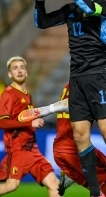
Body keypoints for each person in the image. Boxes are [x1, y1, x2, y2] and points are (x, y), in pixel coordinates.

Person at [33, 0, 106, 197]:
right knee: (79, 136)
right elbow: (41, 22)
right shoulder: (69, 10)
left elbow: (88, 7)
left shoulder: (103, 6)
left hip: (100, 74)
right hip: (77, 77)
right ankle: (95, 193)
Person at [0, 56, 60, 197]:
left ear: (26, 72)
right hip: (18, 148)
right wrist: (30, 122)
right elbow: (2, 122)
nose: (19, 70)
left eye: (22, 67)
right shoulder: (8, 94)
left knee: (54, 184)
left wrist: (34, 118)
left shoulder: (27, 95)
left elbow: (22, 116)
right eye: (15, 68)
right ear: (10, 74)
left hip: (32, 149)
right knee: (11, 185)